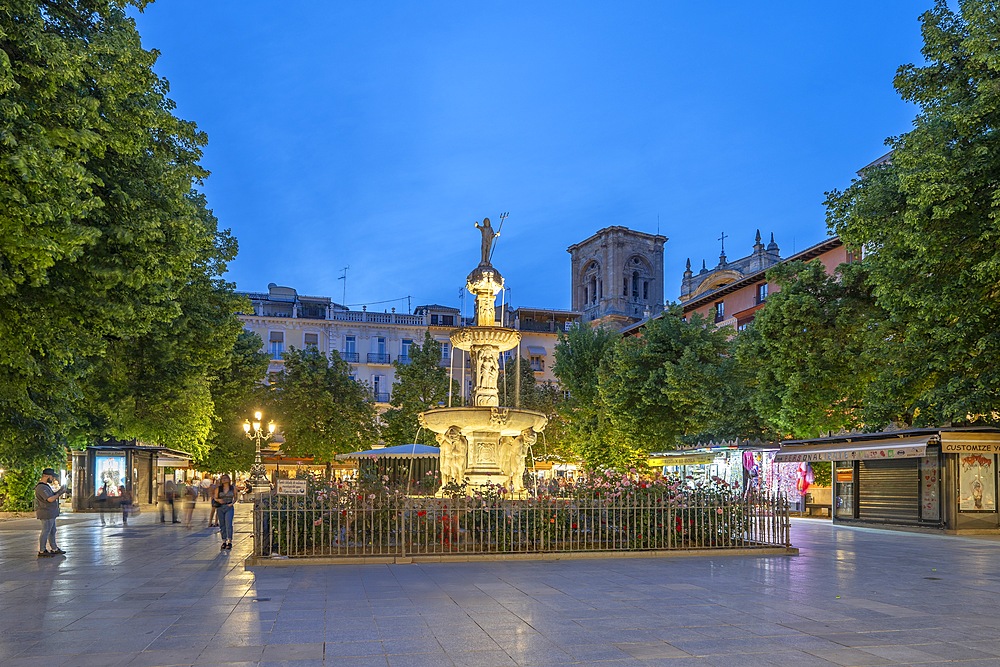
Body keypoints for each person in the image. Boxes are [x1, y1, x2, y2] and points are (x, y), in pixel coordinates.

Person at [35, 468, 70, 557]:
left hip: (50, 512)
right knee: (46, 531)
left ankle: (54, 548)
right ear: (46, 476)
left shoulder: (45, 486)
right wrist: (59, 494)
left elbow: (52, 496)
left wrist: (60, 491)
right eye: (52, 476)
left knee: (52, 530)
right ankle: (42, 550)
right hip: (46, 512)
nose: (53, 479)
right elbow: (50, 499)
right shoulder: (41, 487)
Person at [213, 474, 237, 550]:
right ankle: (224, 541)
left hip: (229, 506)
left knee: (228, 523)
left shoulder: (232, 488)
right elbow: (215, 497)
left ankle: (229, 541)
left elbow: (236, 497)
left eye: (226, 478)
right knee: (222, 524)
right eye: (223, 478)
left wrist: (232, 503)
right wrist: (218, 500)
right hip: (220, 507)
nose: (224, 480)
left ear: (229, 479)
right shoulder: (219, 489)